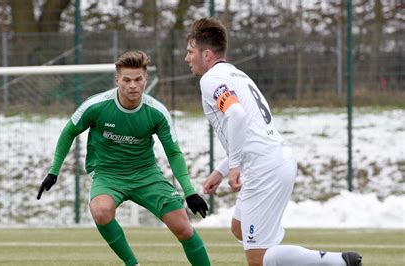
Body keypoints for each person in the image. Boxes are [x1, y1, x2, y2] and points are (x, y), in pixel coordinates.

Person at [184, 17, 362, 266]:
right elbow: (248, 129)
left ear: (207, 55)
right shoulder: (238, 75)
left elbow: (236, 114)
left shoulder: (211, 79)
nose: (186, 58)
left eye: (191, 52)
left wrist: (234, 166)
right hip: (275, 159)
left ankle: (338, 261)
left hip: (263, 169)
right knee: (240, 228)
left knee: (258, 258)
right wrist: (221, 170)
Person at [37, 51, 210, 266]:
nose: (133, 85)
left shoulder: (156, 112)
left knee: (183, 228)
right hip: (108, 175)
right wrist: (54, 170)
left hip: (146, 174)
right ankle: (132, 264)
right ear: (117, 80)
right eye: (127, 80)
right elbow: (68, 132)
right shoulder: (96, 105)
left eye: (138, 79)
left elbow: (173, 153)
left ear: (145, 79)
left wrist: (190, 191)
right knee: (101, 211)